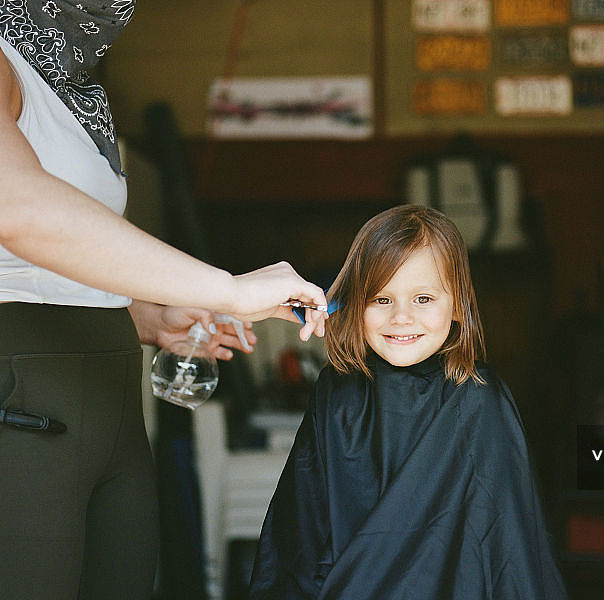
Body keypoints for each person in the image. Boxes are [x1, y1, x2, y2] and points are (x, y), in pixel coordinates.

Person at [0, 3, 327, 599]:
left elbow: (43, 269)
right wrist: (229, 289)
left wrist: (144, 315)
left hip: (112, 403)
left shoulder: (65, 81)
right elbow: (16, 209)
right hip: (23, 397)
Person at [249, 205, 566, 599]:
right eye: (381, 299)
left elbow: (506, 546)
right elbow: (301, 530)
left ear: (457, 305)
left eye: (423, 298)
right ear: (355, 303)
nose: (401, 317)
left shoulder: (481, 399)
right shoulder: (337, 392)